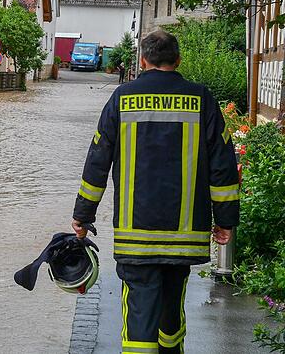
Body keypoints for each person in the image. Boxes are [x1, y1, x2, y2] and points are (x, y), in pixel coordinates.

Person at [70, 30, 239, 353]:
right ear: (178, 60)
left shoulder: (122, 98)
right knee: (171, 314)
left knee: (139, 320)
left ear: (143, 60)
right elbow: (223, 166)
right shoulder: (202, 99)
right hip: (185, 238)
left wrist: (83, 215)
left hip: (137, 238)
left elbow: (97, 164)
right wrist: (226, 221)